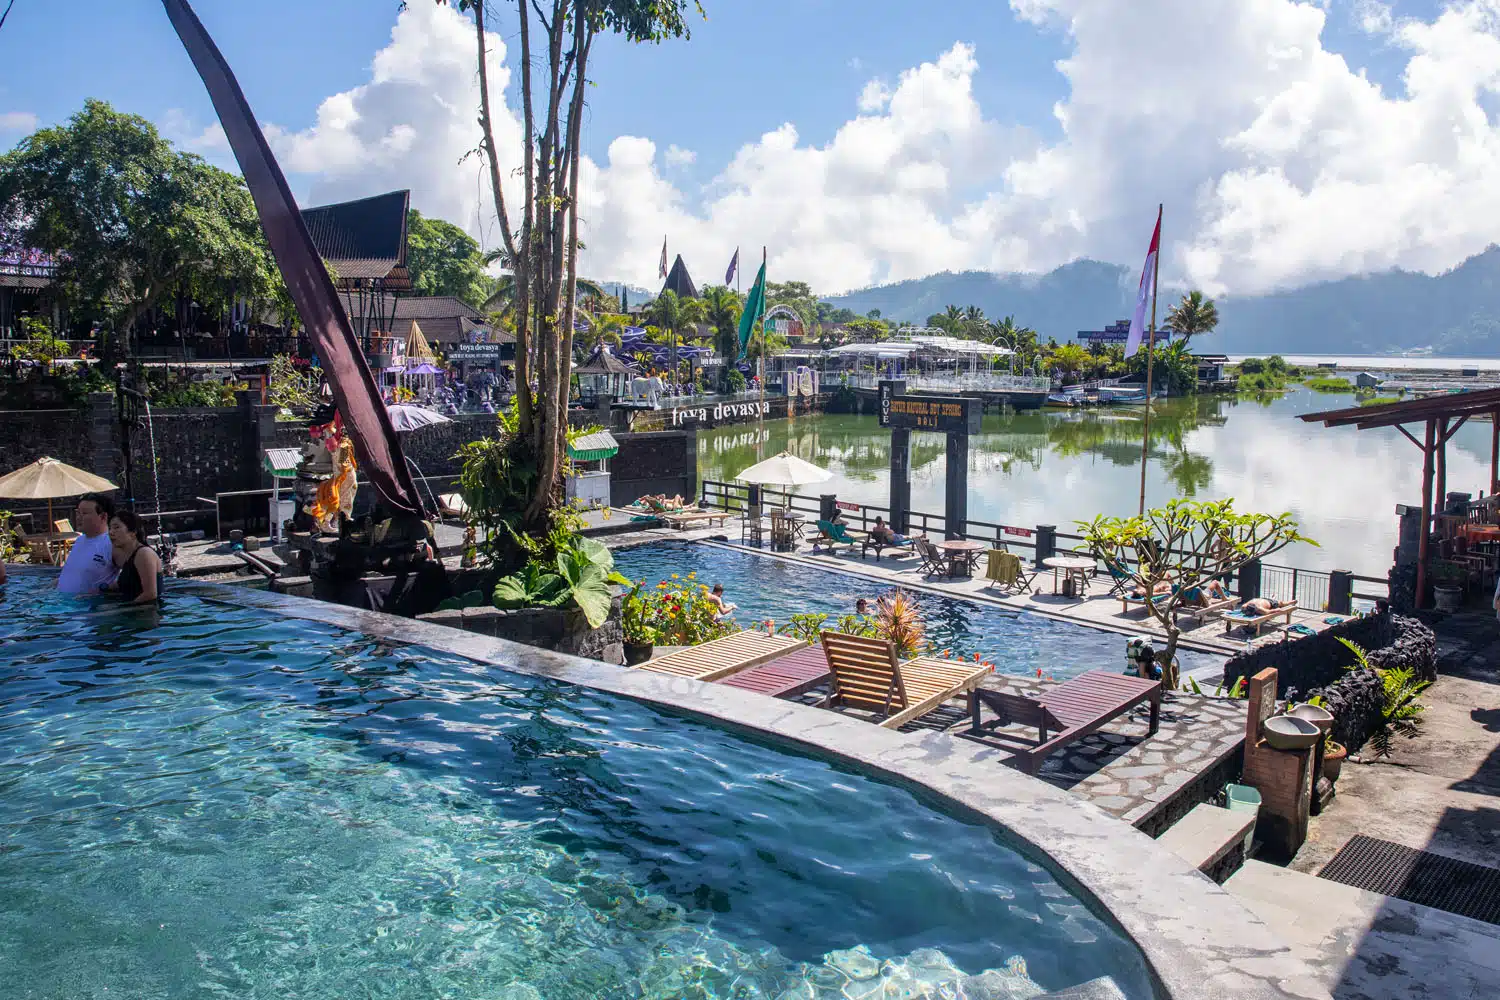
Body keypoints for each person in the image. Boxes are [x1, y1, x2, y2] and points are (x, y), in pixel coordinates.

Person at [57, 492, 118, 595]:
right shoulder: (79, 540)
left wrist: (100, 591)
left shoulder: (111, 543)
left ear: (103, 517)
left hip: (89, 608)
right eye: (78, 513)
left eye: (84, 513)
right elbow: (75, 574)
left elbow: (130, 576)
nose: (78, 517)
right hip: (63, 605)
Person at [106, 509, 162, 604]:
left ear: (133, 532)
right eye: (110, 528)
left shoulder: (144, 554)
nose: (111, 532)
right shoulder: (129, 555)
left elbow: (150, 594)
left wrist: (120, 609)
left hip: (146, 613)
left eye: (116, 527)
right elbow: (132, 582)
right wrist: (99, 589)